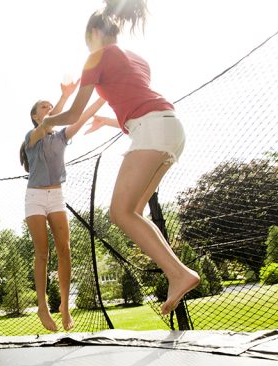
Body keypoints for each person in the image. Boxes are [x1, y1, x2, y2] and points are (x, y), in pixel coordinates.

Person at [41, 0, 200, 315]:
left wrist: (46, 123)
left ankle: (179, 273)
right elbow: (139, 103)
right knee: (134, 211)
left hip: (152, 130)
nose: (89, 45)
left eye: (89, 39)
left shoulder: (96, 57)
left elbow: (73, 113)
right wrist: (108, 121)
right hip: (170, 128)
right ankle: (177, 273)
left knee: (119, 213)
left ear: (96, 32)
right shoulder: (138, 59)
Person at [21, 81, 103, 331]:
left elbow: (83, 114)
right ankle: (42, 307)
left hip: (56, 196)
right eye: (43, 107)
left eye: (50, 106)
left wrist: (104, 96)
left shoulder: (62, 137)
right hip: (34, 197)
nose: (48, 109)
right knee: (42, 253)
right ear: (35, 116)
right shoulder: (31, 137)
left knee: (64, 249)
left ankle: (65, 306)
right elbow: (49, 122)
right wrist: (65, 96)